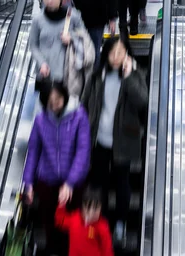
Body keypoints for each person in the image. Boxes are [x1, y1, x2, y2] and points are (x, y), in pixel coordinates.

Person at [82, 36, 148, 245]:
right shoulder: (96, 76)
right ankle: (99, 223)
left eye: (121, 52)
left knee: (122, 183)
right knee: (98, 183)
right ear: (106, 54)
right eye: (113, 52)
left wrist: (128, 77)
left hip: (123, 140)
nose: (117, 57)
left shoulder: (136, 74)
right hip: (99, 139)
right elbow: (85, 104)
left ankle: (120, 223)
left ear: (127, 53)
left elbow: (142, 101)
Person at [23, 82, 91, 255]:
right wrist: (28, 183)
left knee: (74, 223)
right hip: (47, 179)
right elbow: (33, 151)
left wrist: (69, 183)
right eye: (49, 100)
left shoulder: (79, 116)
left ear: (65, 96)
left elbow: (83, 150)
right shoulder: (40, 119)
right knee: (50, 223)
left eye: (58, 99)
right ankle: (54, 250)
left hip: (74, 182)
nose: (54, 104)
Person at [29, 0, 85, 85]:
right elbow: (33, 45)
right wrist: (42, 63)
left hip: (68, 73)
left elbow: (84, 38)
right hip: (45, 73)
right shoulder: (38, 19)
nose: (50, 0)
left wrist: (71, 38)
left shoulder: (73, 16)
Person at [55, 187, 114, 256]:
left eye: (95, 209)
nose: (91, 212)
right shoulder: (74, 219)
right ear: (82, 207)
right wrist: (62, 203)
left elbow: (107, 250)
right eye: (88, 208)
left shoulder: (103, 227)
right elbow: (60, 220)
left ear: (101, 208)